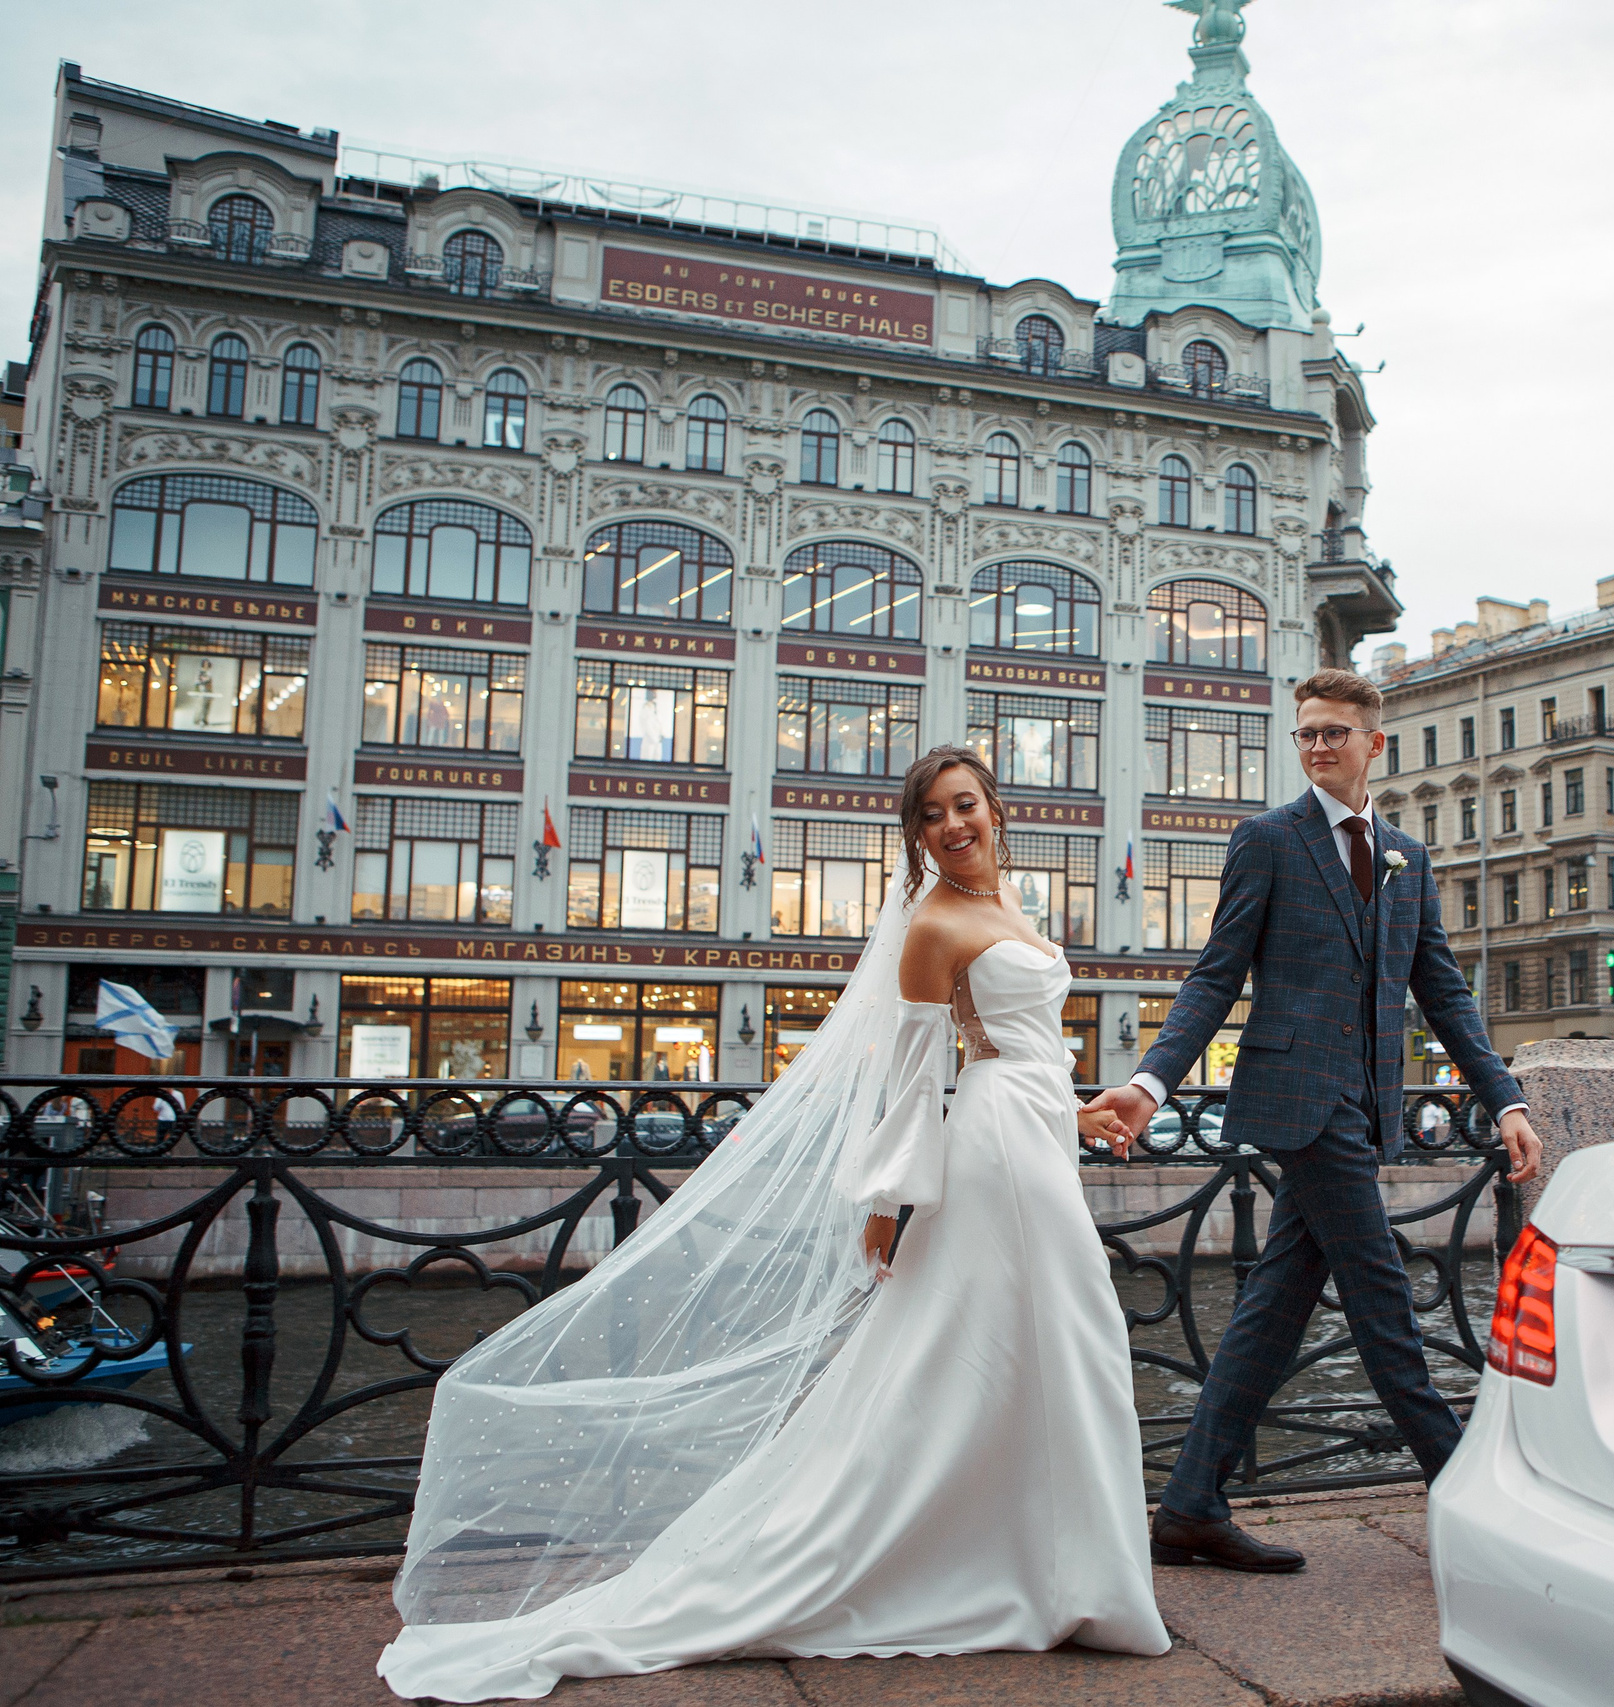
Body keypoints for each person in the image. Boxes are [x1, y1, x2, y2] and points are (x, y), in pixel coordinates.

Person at [378, 746, 1168, 1701]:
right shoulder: (934, 923)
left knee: (1024, 1350)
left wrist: (1076, 1110)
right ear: (917, 835)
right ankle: (1067, 1576)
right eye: (931, 816)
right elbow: (914, 1078)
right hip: (996, 1150)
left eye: (965, 805)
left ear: (995, 807)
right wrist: (888, 1203)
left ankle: (1051, 1565)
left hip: (1035, 1129)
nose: (954, 825)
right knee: (1056, 1337)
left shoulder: (1011, 912)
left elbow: (1017, 1047)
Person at [1085, 668, 1544, 1573]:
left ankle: (1188, 1504)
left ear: (1377, 743)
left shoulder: (1407, 856)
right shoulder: (1268, 839)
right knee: (1382, 1299)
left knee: (1275, 1305)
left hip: (1365, 1106)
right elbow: (1217, 975)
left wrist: (1505, 1098)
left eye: (1336, 731)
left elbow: (1442, 989)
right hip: (1301, 1102)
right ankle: (1466, 1493)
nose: (1319, 745)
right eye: (1306, 733)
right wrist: (1151, 1081)